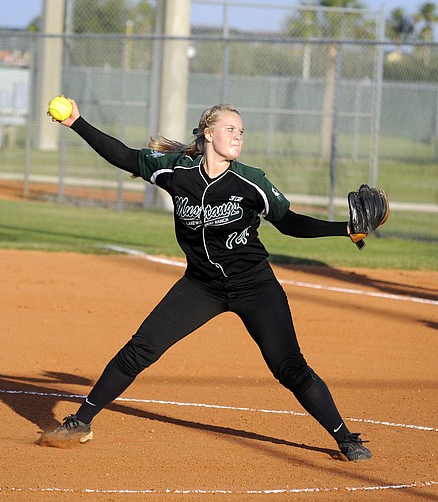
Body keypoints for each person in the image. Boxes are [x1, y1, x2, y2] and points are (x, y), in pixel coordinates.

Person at [38, 98, 377, 462]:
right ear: (208, 133)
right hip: (200, 285)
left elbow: (290, 222)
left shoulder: (251, 181)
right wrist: (76, 122)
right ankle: (81, 422)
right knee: (139, 349)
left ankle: (346, 439)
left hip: (254, 286)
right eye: (231, 129)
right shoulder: (175, 171)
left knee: (289, 367)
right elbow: (122, 156)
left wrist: (345, 229)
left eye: (242, 131)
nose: (238, 136)